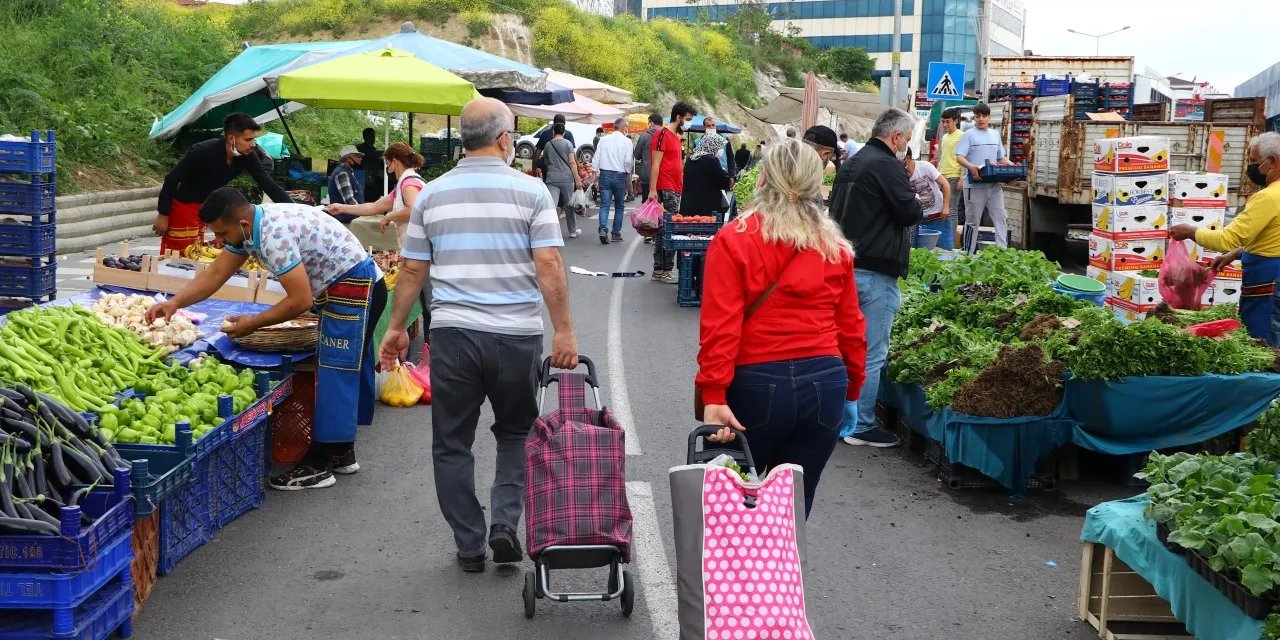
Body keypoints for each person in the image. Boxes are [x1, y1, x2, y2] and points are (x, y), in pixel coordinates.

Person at [378, 97, 579, 574]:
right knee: (515, 433)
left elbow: (411, 269)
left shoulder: (431, 195)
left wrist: (394, 329)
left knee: (451, 442)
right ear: (505, 139)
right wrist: (565, 332)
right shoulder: (532, 194)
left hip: (452, 337)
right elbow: (548, 265)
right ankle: (505, 523)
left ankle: (470, 544)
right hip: (515, 337)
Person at [147, 188, 386, 490]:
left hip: (355, 287)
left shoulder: (273, 236)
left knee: (335, 373)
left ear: (241, 223)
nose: (218, 241)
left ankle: (319, 464)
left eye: (221, 233)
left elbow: (299, 300)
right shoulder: (249, 228)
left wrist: (253, 324)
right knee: (337, 368)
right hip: (345, 288)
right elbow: (216, 272)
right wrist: (175, 303)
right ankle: (340, 450)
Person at [697, 139, 867, 517]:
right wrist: (852, 391)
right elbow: (851, 327)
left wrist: (714, 395)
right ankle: (786, 574)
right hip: (826, 383)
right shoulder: (833, 246)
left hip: (756, 382)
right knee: (793, 509)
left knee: (740, 505)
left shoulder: (734, 239)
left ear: (763, 178)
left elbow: (720, 327)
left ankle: (740, 575)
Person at [828, 107, 923, 448]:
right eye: (906, 141)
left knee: (843, 347)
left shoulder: (851, 161)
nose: (905, 148)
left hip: (845, 265)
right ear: (896, 137)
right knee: (871, 350)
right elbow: (910, 211)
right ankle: (861, 424)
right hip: (874, 270)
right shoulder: (886, 165)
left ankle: (839, 417)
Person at [1171, 131, 1280, 344]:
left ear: (1273, 162)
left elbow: (1226, 239)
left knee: (1263, 341)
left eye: (1254, 162)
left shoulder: (1268, 197)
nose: (1251, 168)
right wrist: (1235, 254)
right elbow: (1272, 235)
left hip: (1269, 282)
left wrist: (1190, 232)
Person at [155, 112, 293, 254]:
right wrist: (163, 214)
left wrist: (295, 209)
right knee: (177, 254)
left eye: (254, 139)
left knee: (197, 252)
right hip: (184, 206)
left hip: (207, 207)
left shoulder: (248, 156)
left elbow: (267, 183)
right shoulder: (202, 151)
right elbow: (171, 179)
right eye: (248, 140)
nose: (252, 144)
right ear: (231, 138)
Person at [326, 142, 427, 245]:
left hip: (418, 246)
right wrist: (341, 207)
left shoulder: (409, 183)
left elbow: (413, 211)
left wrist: (389, 216)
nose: (388, 170)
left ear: (395, 162)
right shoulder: (402, 186)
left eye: (387, 165)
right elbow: (372, 207)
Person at [954, 103, 1015, 253]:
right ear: (974, 118)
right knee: (972, 222)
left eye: (983, 116)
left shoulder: (995, 134)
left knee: (1001, 217)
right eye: (977, 116)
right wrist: (971, 167)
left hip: (994, 186)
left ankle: (1003, 253)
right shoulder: (969, 135)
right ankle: (968, 253)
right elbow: (959, 157)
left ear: (989, 117)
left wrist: (1012, 165)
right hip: (974, 186)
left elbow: (1001, 158)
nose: (980, 119)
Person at [649, 101, 698, 284]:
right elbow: (656, 163)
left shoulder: (676, 137)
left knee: (665, 229)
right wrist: (653, 190)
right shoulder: (662, 134)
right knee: (670, 228)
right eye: (688, 119)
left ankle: (660, 270)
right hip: (665, 186)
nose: (689, 123)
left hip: (675, 187)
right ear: (678, 117)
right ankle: (664, 269)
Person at [592, 117, 634, 244]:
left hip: (604, 175)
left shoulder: (603, 140)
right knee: (619, 206)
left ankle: (603, 229)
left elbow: (596, 158)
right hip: (619, 176)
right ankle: (616, 233)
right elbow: (628, 161)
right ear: (622, 128)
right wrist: (627, 174)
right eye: (626, 127)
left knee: (605, 204)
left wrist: (594, 174)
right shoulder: (627, 142)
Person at [904, 147, 952, 249]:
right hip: (918, 222)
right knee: (920, 254)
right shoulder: (899, 174)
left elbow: (945, 184)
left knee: (945, 250)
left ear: (907, 158)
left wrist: (946, 207)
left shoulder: (924, 166)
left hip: (939, 217)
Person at [543, 123, 585, 238]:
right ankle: (572, 231)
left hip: (552, 179)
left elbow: (546, 161)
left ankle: (549, 231)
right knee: (569, 206)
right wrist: (577, 179)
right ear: (564, 132)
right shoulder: (568, 143)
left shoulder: (548, 144)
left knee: (551, 206)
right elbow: (572, 162)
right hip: (567, 179)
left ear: (553, 132)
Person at [680, 133, 732, 219]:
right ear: (712, 145)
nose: (720, 150)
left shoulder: (691, 159)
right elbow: (724, 182)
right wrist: (725, 172)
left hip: (688, 206)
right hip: (707, 208)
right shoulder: (712, 160)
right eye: (719, 147)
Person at [937, 108, 965, 249]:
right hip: (943, 176)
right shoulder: (945, 137)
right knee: (942, 209)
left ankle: (950, 242)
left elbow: (964, 158)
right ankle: (944, 239)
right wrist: (937, 174)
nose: (945, 124)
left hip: (954, 177)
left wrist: (962, 178)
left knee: (952, 210)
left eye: (948, 121)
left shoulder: (961, 136)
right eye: (943, 122)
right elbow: (942, 158)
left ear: (956, 121)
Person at [327, 145, 365, 223]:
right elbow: (349, 200)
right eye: (357, 156)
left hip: (348, 217)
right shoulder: (342, 173)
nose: (360, 158)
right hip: (344, 220)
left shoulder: (347, 172)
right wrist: (364, 211)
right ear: (348, 158)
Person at [634, 114, 662, 203]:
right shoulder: (667, 135)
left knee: (647, 204)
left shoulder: (644, 136)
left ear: (651, 123)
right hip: (663, 176)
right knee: (661, 206)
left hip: (647, 175)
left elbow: (637, 155)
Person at [357, 128, 386, 203]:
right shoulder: (360, 148)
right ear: (365, 137)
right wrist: (385, 152)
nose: (373, 138)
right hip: (364, 177)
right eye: (371, 136)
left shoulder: (373, 149)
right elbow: (371, 154)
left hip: (374, 176)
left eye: (373, 136)